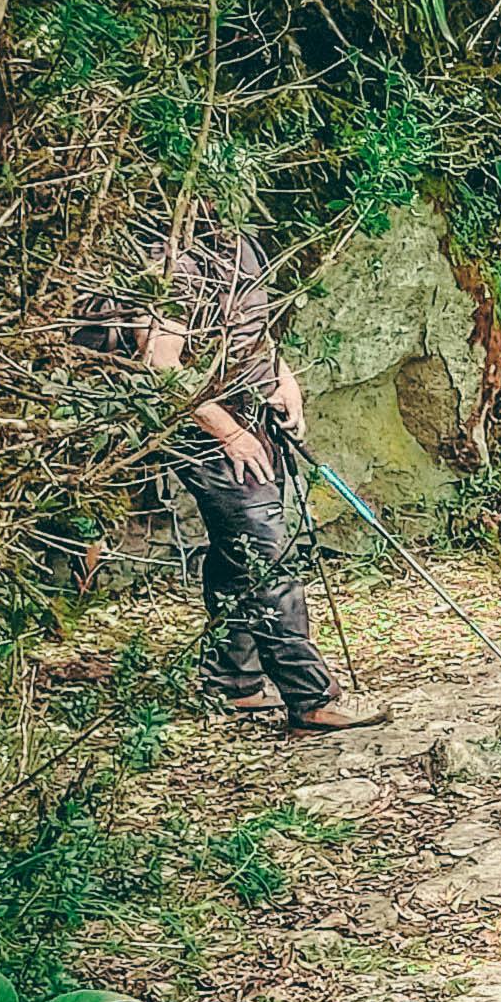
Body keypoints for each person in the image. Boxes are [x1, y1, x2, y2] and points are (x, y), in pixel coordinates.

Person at [130, 214, 387, 734]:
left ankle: (233, 680)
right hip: (196, 425)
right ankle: (311, 697)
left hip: (247, 413)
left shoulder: (239, 242)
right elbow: (159, 364)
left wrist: (282, 376)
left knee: (239, 546)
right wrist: (227, 432)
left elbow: (251, 332)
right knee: (266, 549)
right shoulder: (169, 256)